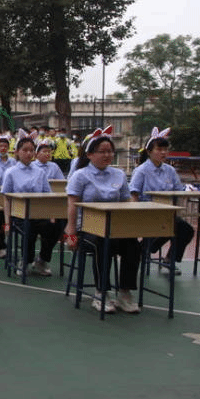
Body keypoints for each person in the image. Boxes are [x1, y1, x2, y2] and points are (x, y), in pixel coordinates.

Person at [65, 127, 141, 314]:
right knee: (102, 243)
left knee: (133, 245)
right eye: (102, 151)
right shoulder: (80, 175)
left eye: (110, 151)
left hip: (115, 228)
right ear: (90, 154)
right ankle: (102, 292)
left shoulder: (119, 175)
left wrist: (132, 229)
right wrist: (71, 234)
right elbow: (72, 206)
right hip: (88, 230)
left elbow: (125, 203)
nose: (107, 155)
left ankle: (124, 292)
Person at [129, 127, 194, 273]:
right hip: (146, 212)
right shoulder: (141, 171)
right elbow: (134, 194)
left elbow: (179, 190)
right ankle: (144, 247)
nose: (163, 152)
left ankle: (167, 257)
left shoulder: (169, 170)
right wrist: (134, 216)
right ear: (149, 151)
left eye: (166, 149)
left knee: (186, 230)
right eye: (159, 149)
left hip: (166, 212)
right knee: (168, 226)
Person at [0, 131, 59, 276]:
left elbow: (48, 195)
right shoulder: (11, 172)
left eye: (31, 150)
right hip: (19, 215)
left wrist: (52, 215)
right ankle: (25, 261)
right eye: (25, 150)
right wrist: (7, 222)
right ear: (17, 152)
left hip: (39, 213)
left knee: (56, 226)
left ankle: (42, 260)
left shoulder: (40, 172)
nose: (28, 153)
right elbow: (6, 199)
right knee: (29, 227)